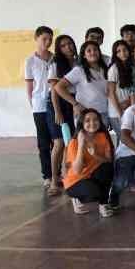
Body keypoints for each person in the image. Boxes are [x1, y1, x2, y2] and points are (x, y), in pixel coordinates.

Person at [64, 109, 115, 218]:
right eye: (87, 120)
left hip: (92, 174)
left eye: (95, 119)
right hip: (75, 181)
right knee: (94, 193)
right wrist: (82, 145)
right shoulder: (74, 143)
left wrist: (95, 154)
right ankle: (77, 198)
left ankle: (103, 204)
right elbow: (77, 171)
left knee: (108, 168)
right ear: (81, 123)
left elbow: (109, 160)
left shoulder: (102, 136)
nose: (92, 123)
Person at [45, 34, 78, 196]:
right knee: (59, 143)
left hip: (73, 103)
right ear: (59, 49)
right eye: (64, 45)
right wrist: (58, 111)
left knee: (70, 142)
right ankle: (53, 180)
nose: (68, 47)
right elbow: (54, 90)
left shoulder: (79, 63)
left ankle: (68, 177)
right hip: (58, 104)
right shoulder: (56, 64)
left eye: (70, 44)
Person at [54, 40, 110, 127]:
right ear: (84, 55)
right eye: (89, 51)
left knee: (102, 140)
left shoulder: (106, 70)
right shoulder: (79, 70)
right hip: (85, 115)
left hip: (103, 114)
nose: (93, 52)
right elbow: (58, 87)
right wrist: (75, 104)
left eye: (95, 50)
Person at [25, 26, 54, 189]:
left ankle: (57, 173)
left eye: (50, 39)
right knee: (43, 143)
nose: (48, 42)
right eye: (44, 39)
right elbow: (29, 87)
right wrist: (33, 104)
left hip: (55, 105)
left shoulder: (55, 59)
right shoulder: (30, 61)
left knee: (57, 142)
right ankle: (47, 176)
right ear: (36, 38)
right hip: (39, 107)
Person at [107, 40, 135, 146]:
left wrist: (131, 106)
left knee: (130, 140)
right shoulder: (114, 68)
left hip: (129, 109)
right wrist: (120, 113)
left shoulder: (131, 67)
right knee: (124, 142)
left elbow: (132, 91)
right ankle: (118, 162)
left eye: (125, 50)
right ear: (115, 54)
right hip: (116, 112)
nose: (122, 53)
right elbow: (111, 93)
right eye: (118, 51)